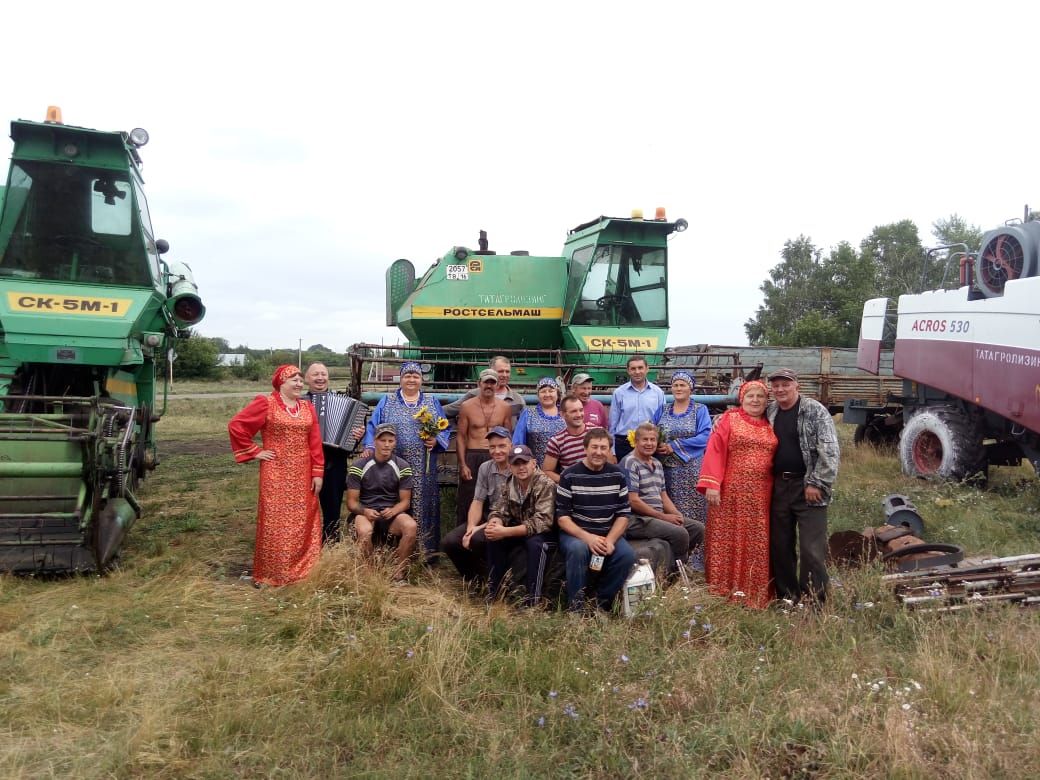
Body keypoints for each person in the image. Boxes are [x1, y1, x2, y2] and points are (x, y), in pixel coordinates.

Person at [228, 364, 324, 587]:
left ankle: (302, 572)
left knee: (303, 520)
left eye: (301, 380)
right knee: (275, 521)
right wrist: (256, 451)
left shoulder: (306, 407)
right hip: (276, 473)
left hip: (303, 473)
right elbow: (237, 426)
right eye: (294, 380)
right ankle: (273, 573)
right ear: (281, 382)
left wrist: (317, 472)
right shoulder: (266, 403)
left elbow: (315, 443)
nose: (300, 384)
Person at [696, 380, 777, 608]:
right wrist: (712, 484)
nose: (755, 400)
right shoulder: (729, 419)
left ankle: (753, 592)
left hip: (761, 495)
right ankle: (722, 589)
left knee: (755, 542)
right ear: (742, 398)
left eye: (760, 397)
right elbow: (715, 449)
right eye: (750, 396)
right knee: (725, 538)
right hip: (729, 492)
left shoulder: (771, 423)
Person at [766, 367, 840, 605]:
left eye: (785, 384)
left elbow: (829, 450)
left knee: (811, 549)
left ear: (797, 385)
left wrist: (817, 482)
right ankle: (787, 597)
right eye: (775, 385)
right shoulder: (771, 411)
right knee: (781, 545)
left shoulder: (815, 410)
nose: (780, 389)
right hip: (778, 486)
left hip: (808, 486)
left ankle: (814, 601)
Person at [362, 362, 451, 556]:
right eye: (407, 376)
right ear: (401, 379)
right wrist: (370, 446)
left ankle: (423, 550)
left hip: (423, 465)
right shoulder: (387, 401)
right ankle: (390, 547)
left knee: (422, 501)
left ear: (421, 380)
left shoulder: (431, 401)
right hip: (392, 463)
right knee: (393, 500)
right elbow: (373, 426)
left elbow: (444, 428)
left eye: (416, 376)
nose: (411, 379)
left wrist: (436, 440)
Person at [555, 428, 637, 613]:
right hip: (576, 532)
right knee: (578, 550)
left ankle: (600, 603)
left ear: (609, 450)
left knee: (626, 556)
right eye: (594, 447)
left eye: (603, 448)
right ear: (585, 448)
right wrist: (588, 538)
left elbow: (623, 515)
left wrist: (609, 540)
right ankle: (576, 608)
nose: (598, 452)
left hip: (607, 531)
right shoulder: (569, 475)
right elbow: (562, 518)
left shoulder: (618, 475)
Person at [620, 422, 704, 573]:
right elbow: (632, 500)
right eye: (645, 440)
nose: (649, 443)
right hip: (637, 519)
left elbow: (663, 495)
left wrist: (676, 515)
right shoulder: (630, 462)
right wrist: (663, 517)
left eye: (653, 440)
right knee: (680, 533)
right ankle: (675, 575)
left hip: (656, 516)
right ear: (636, 441)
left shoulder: (657, 464)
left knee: (697, 529)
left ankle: (677, 564)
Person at [485, 444, 557, 604]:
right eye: (516, 464)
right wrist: (495, 522)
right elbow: (499, 509)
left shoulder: (546, 484)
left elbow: (542, 522)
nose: (521, 468)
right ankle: (494, 593)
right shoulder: (509, 483)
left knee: (535, 544)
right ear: (510, 467)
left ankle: (533, 600)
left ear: (533, 463)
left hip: (546, 533)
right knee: (493, 537)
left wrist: (505, 531)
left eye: (524, 463)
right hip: (520, 529)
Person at [346, 424, 417, 581]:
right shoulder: (359, 466)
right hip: (365, 512)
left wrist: (394, 510)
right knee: (364, 531)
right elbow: (351, 503)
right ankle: (370, 573)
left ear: (395, 442)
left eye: (390, 440)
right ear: (375, 441)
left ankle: (399, 572)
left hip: (390, 512)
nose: (386, 444)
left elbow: (405, 502)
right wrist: (364, 511)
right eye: (382, 440)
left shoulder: (402, 466)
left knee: (411, 526)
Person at [440, 426, 512, 582]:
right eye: (492, 447)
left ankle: (497, 581)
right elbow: (477, 500)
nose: (496, 451)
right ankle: (476, 581)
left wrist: (476, 531)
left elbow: (508, 512)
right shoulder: (485, 467)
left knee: (478, 539)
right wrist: (470, 528)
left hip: (508, 520)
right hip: (487, 516)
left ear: (511, 446)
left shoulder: (518, 468)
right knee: (450, 542)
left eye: (501, 446)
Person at [304, 361, 365, 545]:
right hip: (305, 463)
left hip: (334, 463)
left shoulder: (343, 402)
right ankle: (305, 547)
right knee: (305, 508)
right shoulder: (300, 403)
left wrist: (357, 436)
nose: (320, 378)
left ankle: (330, 545)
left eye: (323, 374)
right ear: (307, 379)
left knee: (332, 509)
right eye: (315, 374)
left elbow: (351, 442)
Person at [653, 370, 712, 526]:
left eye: (682, 385)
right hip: (666, 470)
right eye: (675, 385)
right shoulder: (662, 409)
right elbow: (651, 430)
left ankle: (696, 549)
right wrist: (657, 444)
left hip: (691, 469)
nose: (678, 388)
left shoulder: (700, 410)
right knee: (669, 508)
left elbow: (705, 436)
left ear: (690, 388)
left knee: (694, 509)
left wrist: (674, 446)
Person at [455, 369, 513, 526]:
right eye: (486, 382)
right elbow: (461, 436)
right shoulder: (467, 406)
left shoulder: (505, 407)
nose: (489, 385)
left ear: (497, 384)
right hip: (473, 455)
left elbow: (508, 436)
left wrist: (509, 462)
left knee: (496, 498)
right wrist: (463, 464)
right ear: (479, 383)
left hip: (496, 456)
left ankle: (492, 534)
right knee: (468, 499)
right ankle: (464, 537)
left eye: (492, 382)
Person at [609, 354, 665, 459]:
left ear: (647, 369)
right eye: (633, 368)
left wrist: (661, 442)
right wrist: (612, 452)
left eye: (640, 368)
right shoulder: (619, 393)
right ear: (628, 370)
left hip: (650, 443)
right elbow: (613, 424)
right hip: (624, 444)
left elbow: (663, 421)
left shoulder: (658, 393)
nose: (637, 372)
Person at [443, 355, 526, 423]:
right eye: (500, 371)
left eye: (507, 371)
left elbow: (524, 426)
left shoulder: (518, 400)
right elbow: (450, 410)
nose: (504, 375)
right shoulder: (473, 395)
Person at [512, 376, 565, 467]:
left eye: (551, 391)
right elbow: (518, 443)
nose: (547, 394)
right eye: (543, 391)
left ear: (557, 393)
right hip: (535, 469)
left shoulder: (565, 413)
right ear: (538, 394)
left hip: (563, 468)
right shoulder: (528, 414)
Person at [541, 395, 589, 483]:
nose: (579, 414)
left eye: (581, 410)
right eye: (574, 411)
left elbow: (610, 463)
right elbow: (547, 472)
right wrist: (568, 482)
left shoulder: (596, 433)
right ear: (562, 414)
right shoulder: (556, 441)